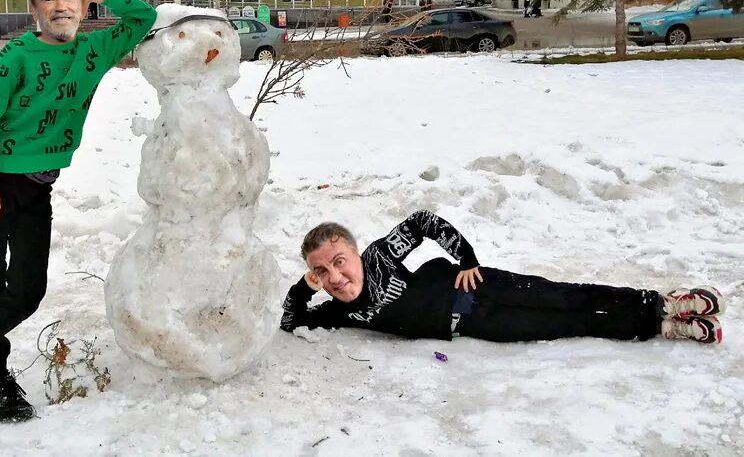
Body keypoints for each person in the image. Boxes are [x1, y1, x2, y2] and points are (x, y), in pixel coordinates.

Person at [0, 0, 156, 429]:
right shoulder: (15, 56)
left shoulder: (95, 49)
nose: (61, 6)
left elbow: (142, 17)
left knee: (26, 292)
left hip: (38, 187)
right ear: (34, 10)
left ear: (82, 6)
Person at [281, 211, 723, 347]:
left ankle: (660, 302)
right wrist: (305, 289)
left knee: (565, 298)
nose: (336, 276)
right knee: (567, 326)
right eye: (322, 270)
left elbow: (420, 223)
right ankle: (661, 328)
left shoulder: (378, 257)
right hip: (477, 325)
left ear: (354, 253)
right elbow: (290, 321)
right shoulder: (338, 311)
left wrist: (466, 258)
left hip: (475, 286)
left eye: (340, 261)